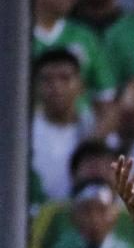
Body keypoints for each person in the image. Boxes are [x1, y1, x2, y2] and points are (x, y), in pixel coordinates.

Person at [31, 49, 98, 204]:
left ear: (81, 86)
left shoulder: (95, 130)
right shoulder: (25, 133)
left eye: (65, 78)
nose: (56, 87)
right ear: (35, 87)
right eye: (47, 80)